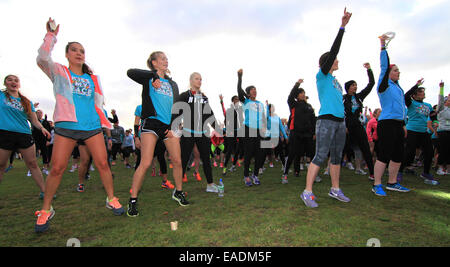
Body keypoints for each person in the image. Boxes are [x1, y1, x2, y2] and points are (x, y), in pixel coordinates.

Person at [35, 18, 124, 233]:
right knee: (57, 168)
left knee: (103, 164)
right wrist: (51, 36)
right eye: (74, 50)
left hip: (91, 126)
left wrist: (105, 126)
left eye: (82, 51)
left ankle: (111, 198)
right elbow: (42, 58)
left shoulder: (93, 78)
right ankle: (46, 209)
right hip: (67, 124)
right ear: (67, 54)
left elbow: (98, 105)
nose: (78, 53)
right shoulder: (59, 72)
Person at [301, 8, 352, 208]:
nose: (337, 61)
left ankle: (335, 189)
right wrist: (342, 27)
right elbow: (335, 51)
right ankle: (307, 192)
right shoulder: (321, 76)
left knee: (337, 157)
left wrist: (345, 121)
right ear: (327, 63)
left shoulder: (335, 80)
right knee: (321, 155)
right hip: (326, 120)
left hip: (340, 122)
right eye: (333, 60)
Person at [127, 50, 187, 217]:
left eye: (166, 58)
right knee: (145, 163)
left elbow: (175, 106)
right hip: (152, 124)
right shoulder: (148, 78)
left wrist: (173, 124)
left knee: (177, 160)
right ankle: (133, 200)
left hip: (168, 126)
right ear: (154, 62)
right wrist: (153, 76)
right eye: (162, 58)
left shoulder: (172, 84)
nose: (165, 60)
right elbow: (130, 72)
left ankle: (178, 192)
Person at [371, 33, 411, 197]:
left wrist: (403, 124)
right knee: (384, 154)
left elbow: (402, 108)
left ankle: (392, 182)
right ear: (388, 73)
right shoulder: (384, 85)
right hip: (386, 123)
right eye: (395, 70)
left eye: (398, 70)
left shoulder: (398, 88)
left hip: (398, 124)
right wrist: (383, 45)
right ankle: (377, 184)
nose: (398, 72)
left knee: (397, 155)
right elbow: (384, 65)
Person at [0, 75, 51, 199]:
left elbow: (34, 120)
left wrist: (42, 128)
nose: (13, 82)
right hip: (5, 133)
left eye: (16, 80)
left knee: (33, 163)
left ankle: (45, 192)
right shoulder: (1, 96)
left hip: (24, 134)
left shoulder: (26, 102)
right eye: (10, 80)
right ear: (5, 83)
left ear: (19, 84)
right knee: (1, 165)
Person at [174, 72, 220, 193]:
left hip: (203, 133)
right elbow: (176, 112)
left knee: (206, 159)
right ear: (191, 80)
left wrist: (217, 128)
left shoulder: (204, 97)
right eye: (197, 79)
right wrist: (175, 129)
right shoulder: (184, 95)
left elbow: (209, 114)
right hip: (188, 132)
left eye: (201, 79)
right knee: (184, 160)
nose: (199, 81)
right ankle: (178, 190)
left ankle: (210, 184)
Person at [398, 81, 438, 185]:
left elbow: (433, 117)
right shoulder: (411, 103)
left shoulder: (428, 105)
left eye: (423, 92)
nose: (423, 93)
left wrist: (436, 122)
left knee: (429, 152)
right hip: (412, 131)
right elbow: (406, 95)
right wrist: (416, 85)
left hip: (424, 132)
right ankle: (399, 171)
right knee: (409, 153)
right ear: (414, 95)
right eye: (420, 92)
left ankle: (425, 173)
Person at [343, 63, 375, 179]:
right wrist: (344, 126)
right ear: (348, 87)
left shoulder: (359, 97)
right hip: (347, 128)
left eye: (356, 85)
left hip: (358, 126)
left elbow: (371, 84)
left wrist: (369, 70)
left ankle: (372, 172)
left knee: (365, 148)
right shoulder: (343, 98)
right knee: (341, 148)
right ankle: (330, 170)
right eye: (353, 85)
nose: (355, 87)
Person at [133, 104, 174, 189]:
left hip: (159, 136)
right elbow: (136, 123)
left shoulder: (159, 105)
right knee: (140, 161)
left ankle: (165, 181)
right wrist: (136, 138)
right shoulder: (140, 107)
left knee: (161, 158)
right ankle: (135, 186)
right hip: (145, 137)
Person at [237, 69, 266, 186]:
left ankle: (255, 175)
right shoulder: (246, 102)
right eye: (252, 90)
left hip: (259, 131)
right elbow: (239, 91)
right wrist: (240, 77)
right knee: (248, 153)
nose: (255, 92)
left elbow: (263, 118)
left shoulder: (260, 104)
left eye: (255, 90)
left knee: (260, 153)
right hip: (248, 129)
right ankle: (246, 176)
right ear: (248, 93)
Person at [283, 80, 315, 184]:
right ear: (297, 96)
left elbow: (313, 120)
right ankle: (285, 174)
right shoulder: (294, 104)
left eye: (304, 93)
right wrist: (297, 84)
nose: (303, 94)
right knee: (293, 153)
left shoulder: (309, 106)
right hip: (295, 132)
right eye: (301, 93)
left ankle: (313, 175)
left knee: (311, 154)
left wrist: (313, 132)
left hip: (307, 134)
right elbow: (290, 95)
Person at [436, 81, 450, 175]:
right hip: (442, 131)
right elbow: (440, 99)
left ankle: (448, 169)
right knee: (443, 150)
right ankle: (440, 168)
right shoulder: (441, 108)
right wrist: (441, 88)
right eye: (448, 100)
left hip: (449, 131)